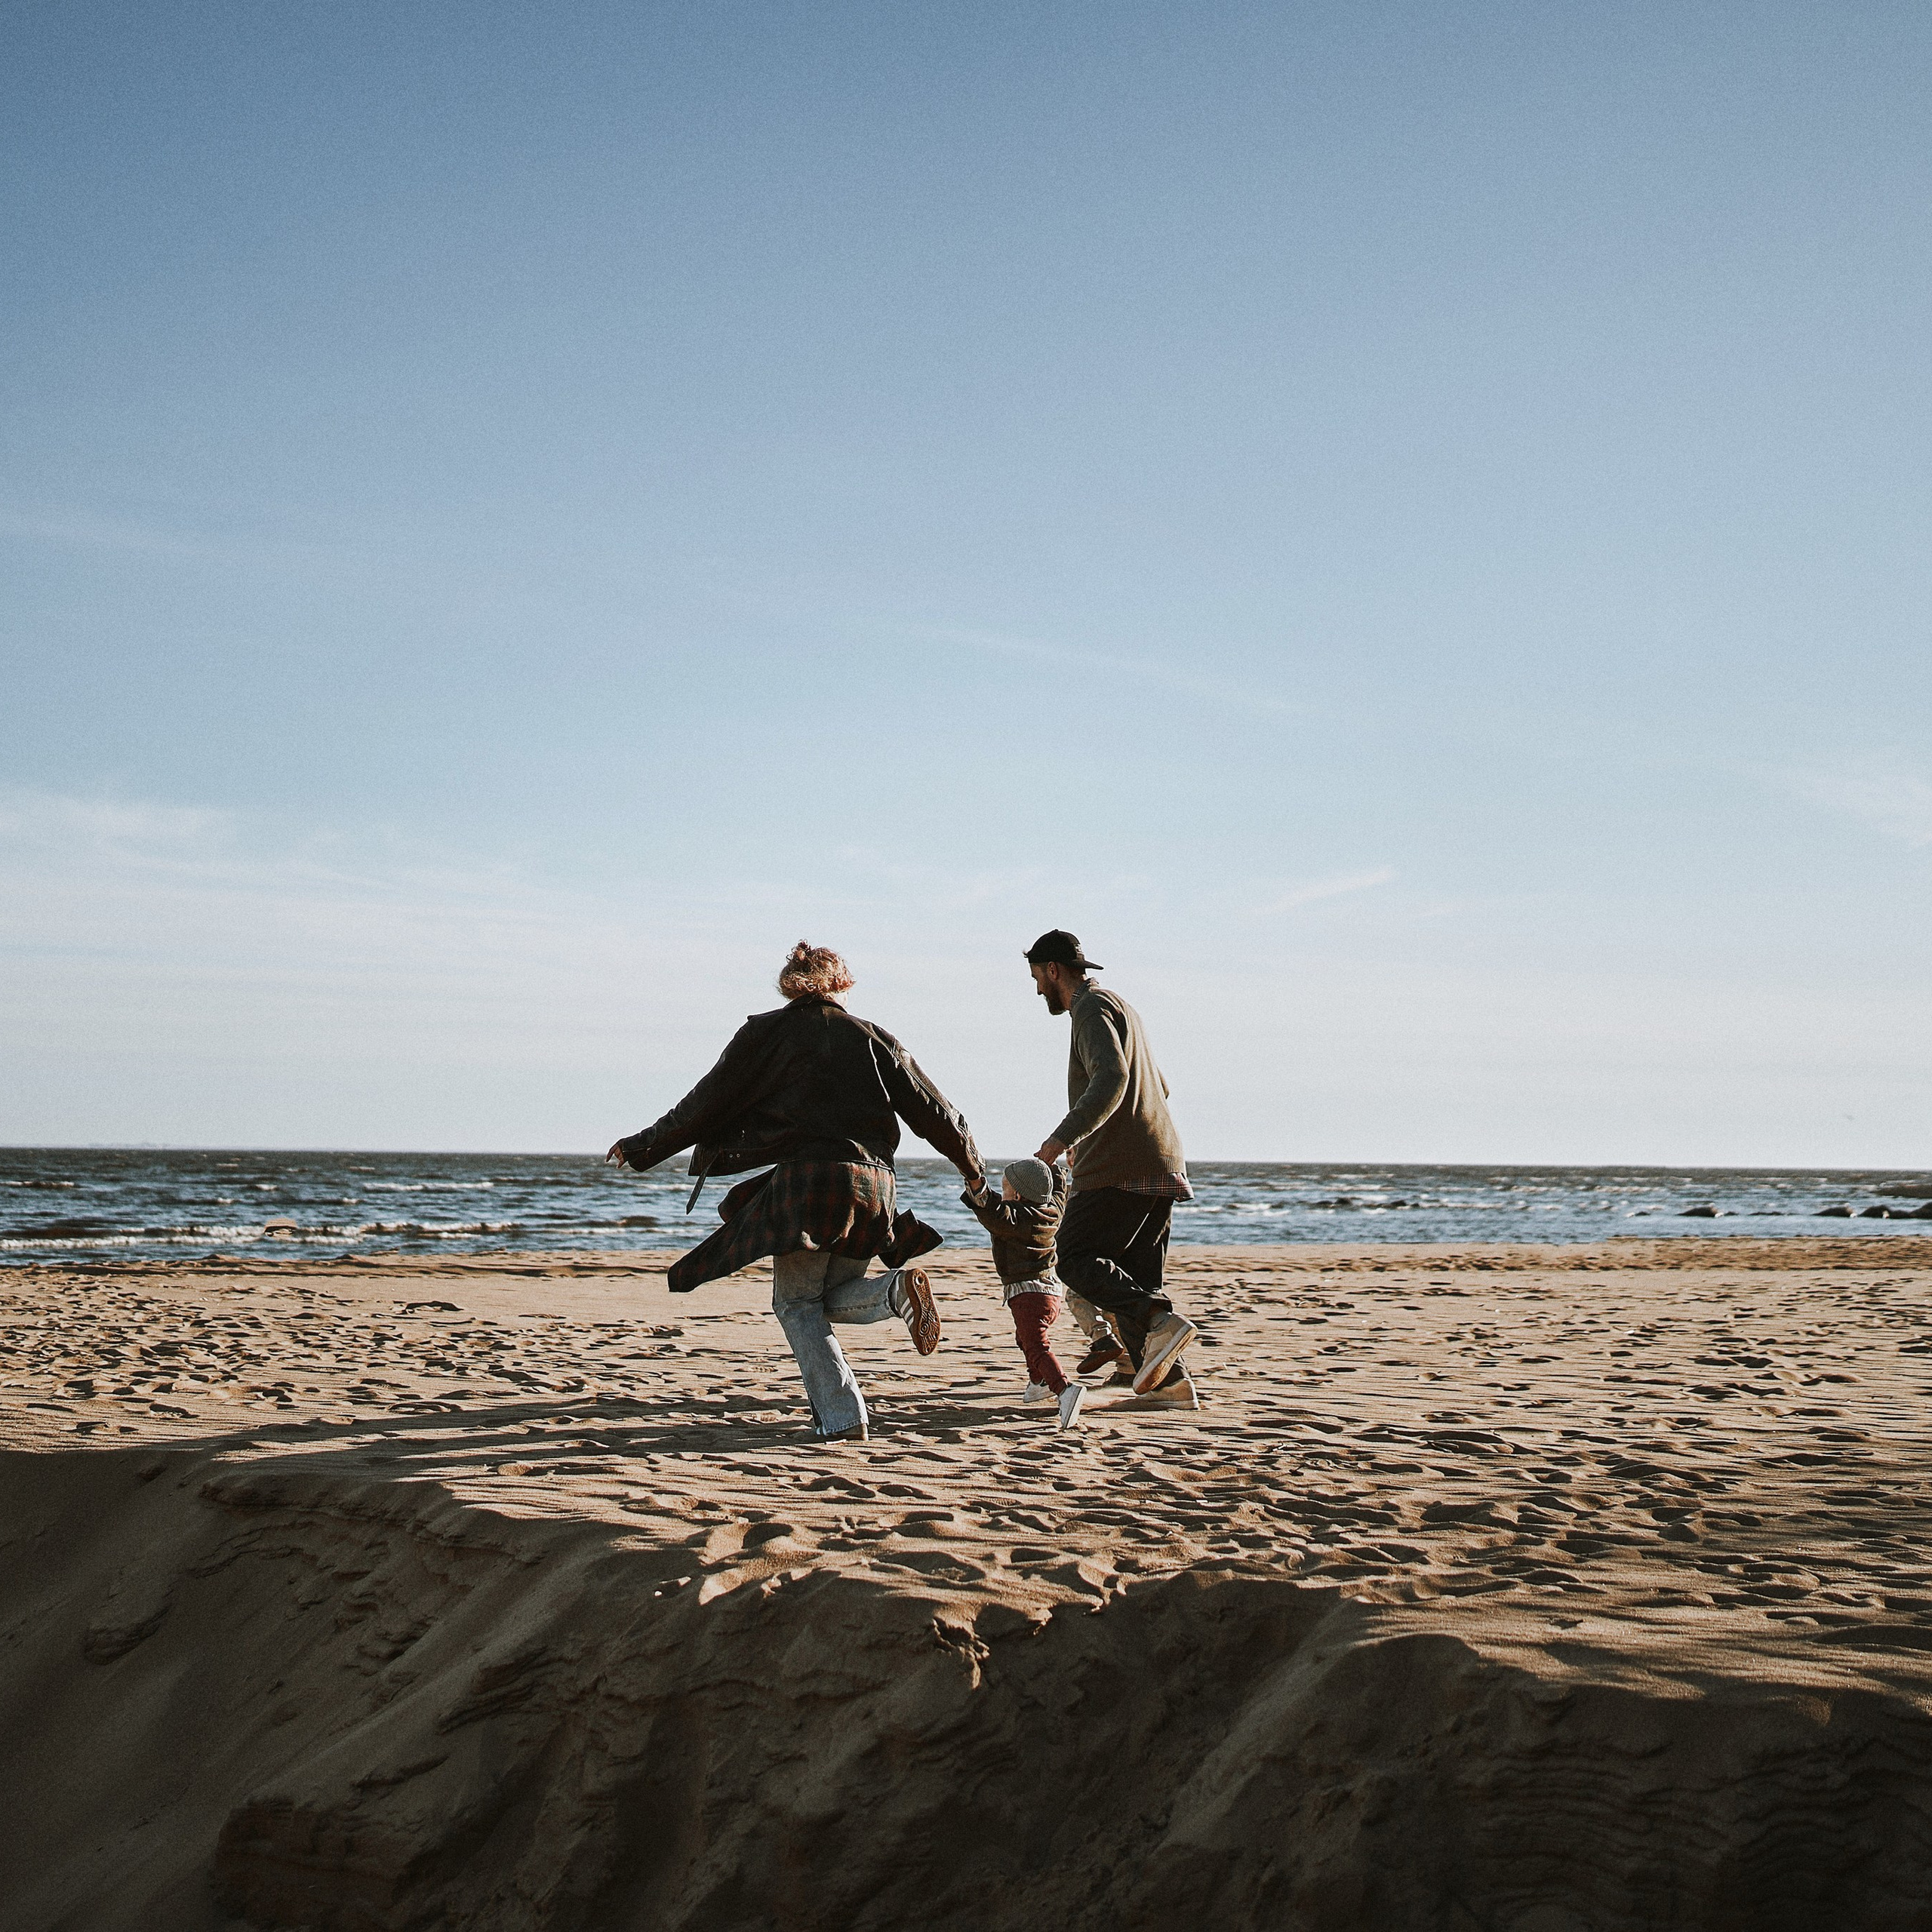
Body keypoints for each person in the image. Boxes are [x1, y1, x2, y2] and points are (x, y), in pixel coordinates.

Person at [608, 942, 985, 1443]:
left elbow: (704, 1102)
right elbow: (936, 1111)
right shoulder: (874, 1038)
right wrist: (973, 1171)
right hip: (874, 1187)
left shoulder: (764, 1034)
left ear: (790, 986)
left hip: (809, 1184)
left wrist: (643, 1146)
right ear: (842, 983)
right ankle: (894, 1292)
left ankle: (842, 1417)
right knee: (828, 1298)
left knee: (796, 1303)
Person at [1026, 930, 1201, 1407]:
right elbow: (1159, 1085)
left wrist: (1063, 1139)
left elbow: (1113, 1077)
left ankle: (1159, 1318)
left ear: (1054, 970)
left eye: (1037, 977)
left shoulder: (1090, 1008)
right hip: (1162, 1160)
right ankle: (1168, 1383)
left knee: (1074, 1256)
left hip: (1120, 1165)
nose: (1037, 989)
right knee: (1134, 1276)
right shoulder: (1121, 1007)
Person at [961, 1155, 1084, 1431]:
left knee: (1037, 1345)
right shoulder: (1052, 1210)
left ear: (1017, 1195)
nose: (1002, 1194)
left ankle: (1064, 1390)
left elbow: (989, 1208)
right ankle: (1039, 1382)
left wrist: (975, 1180)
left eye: (1004, 1189)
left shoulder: (1014, 1219)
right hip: (1050, 1293)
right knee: (1026, 1338)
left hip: (1029, 1296)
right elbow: (1059, 1191)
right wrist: (1053, 1168)